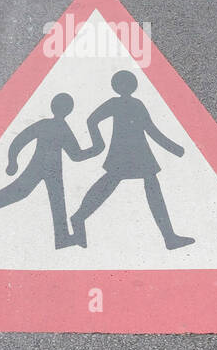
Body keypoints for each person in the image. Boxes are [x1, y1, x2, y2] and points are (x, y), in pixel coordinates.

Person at [69, 70, 194, 251]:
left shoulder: (136, 104)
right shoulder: (120, 103)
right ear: (119, 86)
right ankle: (79, 217)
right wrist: (98, 143)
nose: (128, 87)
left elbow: (150, 129)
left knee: (138, 186)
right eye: (125, 84)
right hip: (126, 151)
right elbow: (92, 120)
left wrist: (173, 148)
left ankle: (169, 237)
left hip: (137, 151)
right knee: (111, 185)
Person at [0, 94, 98, 250]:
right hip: (47, 167)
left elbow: (19, 140)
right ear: (69, 110)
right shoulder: (62, 126)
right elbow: (76, 155)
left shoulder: (45, 124)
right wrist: (96, 149)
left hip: (46, 167)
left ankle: (62, 238)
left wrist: (13, 160)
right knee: (29, 194)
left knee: (53, 200)